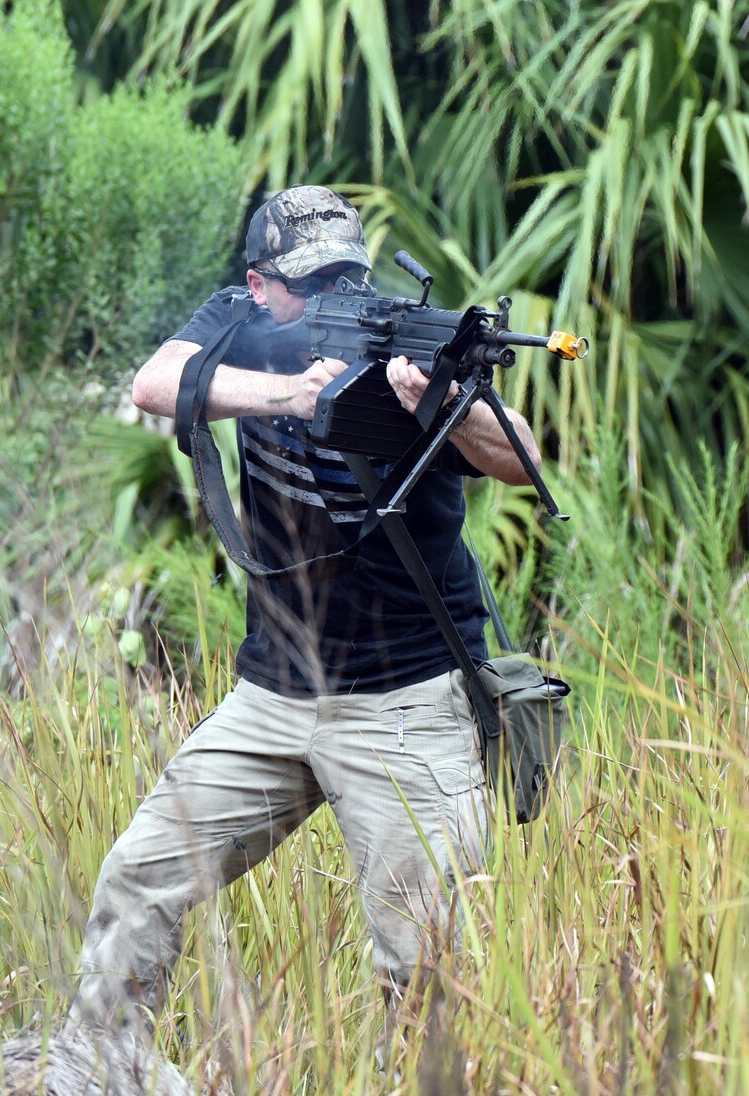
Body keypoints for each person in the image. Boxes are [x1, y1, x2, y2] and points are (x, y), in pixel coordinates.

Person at [68, 185, 543, 1039]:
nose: (330, 298)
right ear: (259, 288)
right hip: (275, 695)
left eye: (343, 277)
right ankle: (96, 1090)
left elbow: (523, 460)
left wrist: (444, 404)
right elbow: (153, 384)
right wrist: (285, 394)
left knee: (423, 964)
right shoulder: (236, 322)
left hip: (408, 704)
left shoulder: (406, 337)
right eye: (307, 282)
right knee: (138, 878)